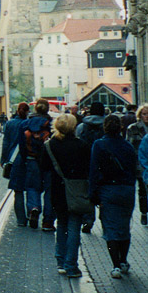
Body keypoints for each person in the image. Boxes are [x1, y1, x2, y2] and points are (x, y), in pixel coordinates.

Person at [41, 113, 89, 278]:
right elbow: (87, 169)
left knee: (61, 224)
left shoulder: (49, 145)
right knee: (74, 226)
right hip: (76, 190)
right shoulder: (82, 145)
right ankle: (71, 265)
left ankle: (61, 261)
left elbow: (44, 167)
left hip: (57, 190)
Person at [89, 114, 137, 278]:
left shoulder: (99, 145)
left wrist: (93, 194)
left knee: (110, 228)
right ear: (121, 128)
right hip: (126, 190)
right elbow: (133, 169)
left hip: (108, 190)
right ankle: (123, 260)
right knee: (124, 226)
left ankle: (115, 265)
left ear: (105, 127)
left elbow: (94, 171)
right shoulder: (128, 146)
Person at [22, 100, 54, 230]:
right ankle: (47, 221)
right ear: (47, 109)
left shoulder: (26, 124)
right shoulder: (51, 125)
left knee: (32, 187)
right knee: (49, 190)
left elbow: (21, 145)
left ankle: (33, 208)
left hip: (31, 159)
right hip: (48, 161)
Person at [76, 101, 106, 233]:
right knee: (104, 191)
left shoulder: (82, 126)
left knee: (88, 192)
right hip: (104, 165)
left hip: (86, 163)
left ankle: (88, 220)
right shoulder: (107, 125)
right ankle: (105, 220)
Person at [3, 102, 31, 226]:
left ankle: (21, 220)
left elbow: (6, 143)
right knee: (31, 188)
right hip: (30, 158)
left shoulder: (10, 124)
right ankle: (32, 212)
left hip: (14, 159)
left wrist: (4, 160)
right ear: (27, 111)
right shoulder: (30, 124)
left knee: (18, 190)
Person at [125, 103, 148, 225]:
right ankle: (143, 212)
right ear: (140, 115)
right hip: (138, 163)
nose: (146, 116)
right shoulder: (133, 128)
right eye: (144, 114)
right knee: (142, 189)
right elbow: (128, 146)